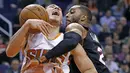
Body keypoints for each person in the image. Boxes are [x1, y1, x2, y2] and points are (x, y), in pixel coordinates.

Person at [6, 4, 96, 73]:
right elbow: (10, 52)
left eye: (59, 9)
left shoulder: (68, 41)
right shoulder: (30, 35)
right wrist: (26, 25)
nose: (56, 8)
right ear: (41, 14)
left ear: (61, 21)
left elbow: (89, 69)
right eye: (52, 7)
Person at [40, 5, 110, 73]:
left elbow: (71, 42)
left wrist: (47, 56)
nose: (67, 15)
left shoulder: (75, 26)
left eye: (72, 12)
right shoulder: (91, 34)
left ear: (83, 18)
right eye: (67, 13)